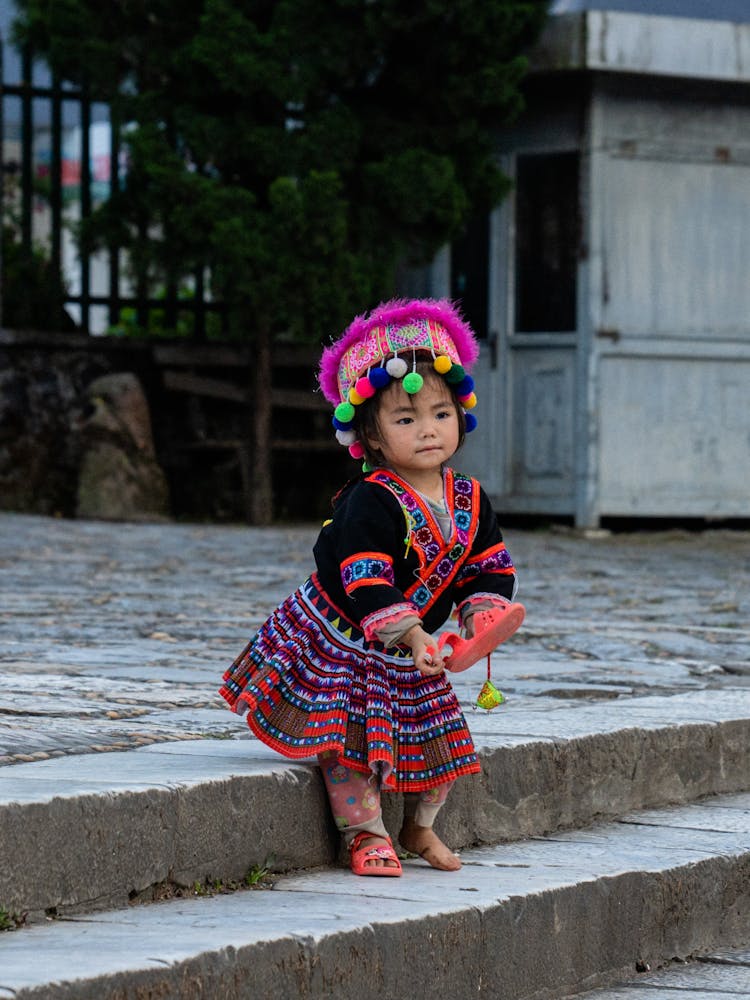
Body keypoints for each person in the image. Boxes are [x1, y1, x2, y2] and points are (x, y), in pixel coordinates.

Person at [219, 299, 518, 877]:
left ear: (462, 415)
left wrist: (481, 615)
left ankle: (419, 826)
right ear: (373, 439)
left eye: (440, 413)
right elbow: (366, 576)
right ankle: (364, 835)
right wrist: (409, 632)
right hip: (350, 640)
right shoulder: (370, 500)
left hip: (417, 649)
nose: (428, 430)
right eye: (405, 420)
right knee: (351, 747)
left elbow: (487, 565)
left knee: (445, 752)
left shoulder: (471, 499)